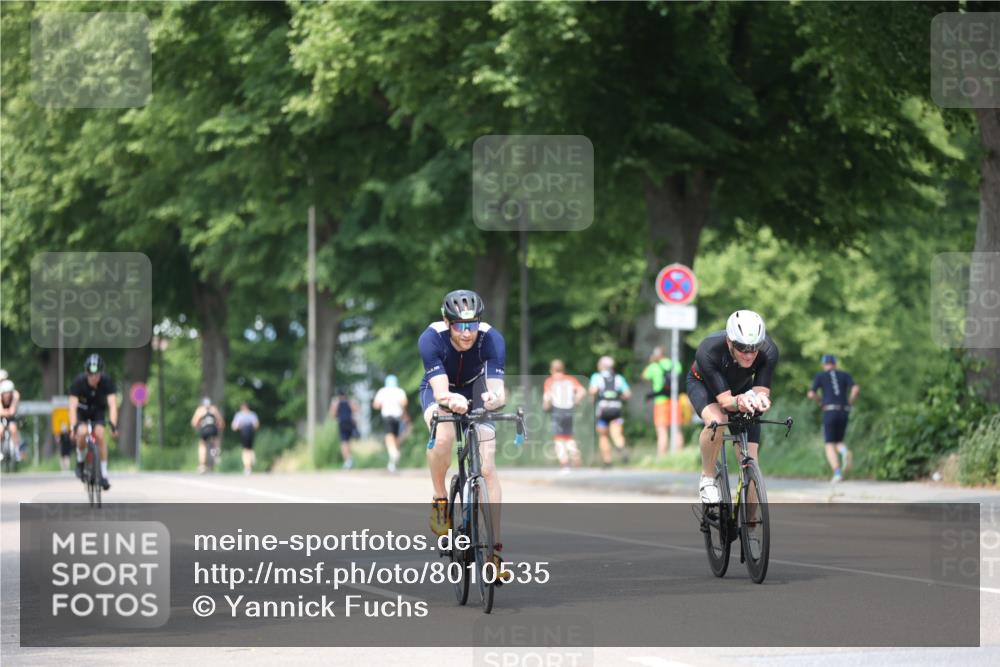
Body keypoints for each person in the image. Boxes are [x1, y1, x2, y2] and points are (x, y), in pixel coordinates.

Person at [418, 289, 511, 582]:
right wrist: (449, 401)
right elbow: (441, 391)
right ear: (448, 323)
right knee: (443, 435)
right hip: (439, 388)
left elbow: (497, 388)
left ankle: (494, 552)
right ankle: (440, 498)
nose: (467, 333)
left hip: (475, 388)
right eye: (460, 326)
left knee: (488, 467)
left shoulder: (492, 339)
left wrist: (495, 400)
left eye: (472, 325)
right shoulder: (431, 339)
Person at [686, 310, 778, 504]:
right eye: (743, 348)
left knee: (751, 461)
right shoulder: (709, 349)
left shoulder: (768, 351)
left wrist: (761, 400)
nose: (749, 354)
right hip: (704, 386)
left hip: (740, 389)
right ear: (729, 341)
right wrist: (741, 401)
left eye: (755, 348)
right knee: (718, 421)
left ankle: (752, 530)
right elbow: (726, 402)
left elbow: (761, 391)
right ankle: (708, 478)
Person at [69, 354, 118, 491]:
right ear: (86, 372)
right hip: (82, 412)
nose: (94, 377)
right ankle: (80, 461)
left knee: (100, 434)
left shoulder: (107, 382)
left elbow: (113, 404)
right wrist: (73, 427)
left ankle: (103, 473)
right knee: (82, 432)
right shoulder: (79, 382)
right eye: (91, 374)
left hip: (98, 411)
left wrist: (113, 425)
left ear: (101, 373)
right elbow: (72, 406)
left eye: (97, 374)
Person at [808, 354, 860, 482]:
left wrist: (821, 402)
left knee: (829, 444)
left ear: (824, 364)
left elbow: (811, 394)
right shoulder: (845, 375)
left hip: (830, 410)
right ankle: (844, 451)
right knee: (839, 441)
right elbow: (855, 389)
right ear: (835, 364)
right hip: (844, 411)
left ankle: (837, 472)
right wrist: (849, 402)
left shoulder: (820, 376)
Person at [543, 359, 586, 472]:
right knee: (569, 436)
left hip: (557, 410)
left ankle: (565, 464)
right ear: (563, 369)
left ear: (552, 370)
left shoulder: (550, 381)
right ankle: (575, 455)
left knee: (559, 439)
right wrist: (576, 400)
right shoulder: (570, 379)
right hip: (569, 410)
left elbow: (547, 397)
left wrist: (546, 406)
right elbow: (582, 391)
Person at [589, 356, 632, 467]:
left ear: (601, 366)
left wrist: (593, 401)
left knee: (603, 436)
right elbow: (627, 394)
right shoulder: (618, 378)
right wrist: (619, 398)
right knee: (617, 434)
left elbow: (592, 391)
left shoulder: (596, 377)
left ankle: (607, 461)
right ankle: (620, 447)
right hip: (616, 408)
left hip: (602, 409)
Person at [643, 346, 685, 455]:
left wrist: (651, 361)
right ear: (664, 354)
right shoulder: (674, 364)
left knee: (662, 430)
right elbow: (680, 373)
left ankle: (662, 456)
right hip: (674, 400)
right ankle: (679, 455)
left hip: (661, 401)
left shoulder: (653, 366)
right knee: (677, 429)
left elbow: (644, 376)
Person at [372, 375, 408, 472]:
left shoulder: (383, 391)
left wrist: (383, 404)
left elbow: (376, 405)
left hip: (387, 416)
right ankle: (392, 463)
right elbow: (404, 403)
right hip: (398, 416)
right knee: (395, 437)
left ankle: (394, 453)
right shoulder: (400, 391)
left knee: (389, 437)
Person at [191, 397, 224, 474]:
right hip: (213, 429)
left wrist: (198, 426)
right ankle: (216, 454)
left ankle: (202, 465)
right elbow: (221, 422)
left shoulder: (200, 410)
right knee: (215, 441)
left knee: (202, 446)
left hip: (204, 429)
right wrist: (219, 428)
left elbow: (194, 422)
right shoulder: (214, 409)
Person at [330, 391, 360, 470]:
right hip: (350, 423)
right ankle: (349, 459)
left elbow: (332, 415)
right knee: (348, 442)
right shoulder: (350, 402)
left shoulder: (337, 403)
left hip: (342, 424)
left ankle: (348, 460)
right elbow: (355, 411)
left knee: (344, 442)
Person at [231, 402, 259, 475]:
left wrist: (240, 426)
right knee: (250, 449)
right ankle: (250, 463)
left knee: (245, 450)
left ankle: (247, 467)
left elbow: (234, 426)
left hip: (244, 432)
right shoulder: (252, 414)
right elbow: (256, 425)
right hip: (251, 433)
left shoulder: (239, 415)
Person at [0, 378, 22, 462]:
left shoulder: (15, 395)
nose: (7, 395)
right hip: (1, 416)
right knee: (0, 430)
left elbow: (12, 410)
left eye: (9, 392)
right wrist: (5, 412)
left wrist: (7, 412)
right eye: (5, 393)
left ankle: (17, 451)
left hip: (11, 416)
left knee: (13, 429)